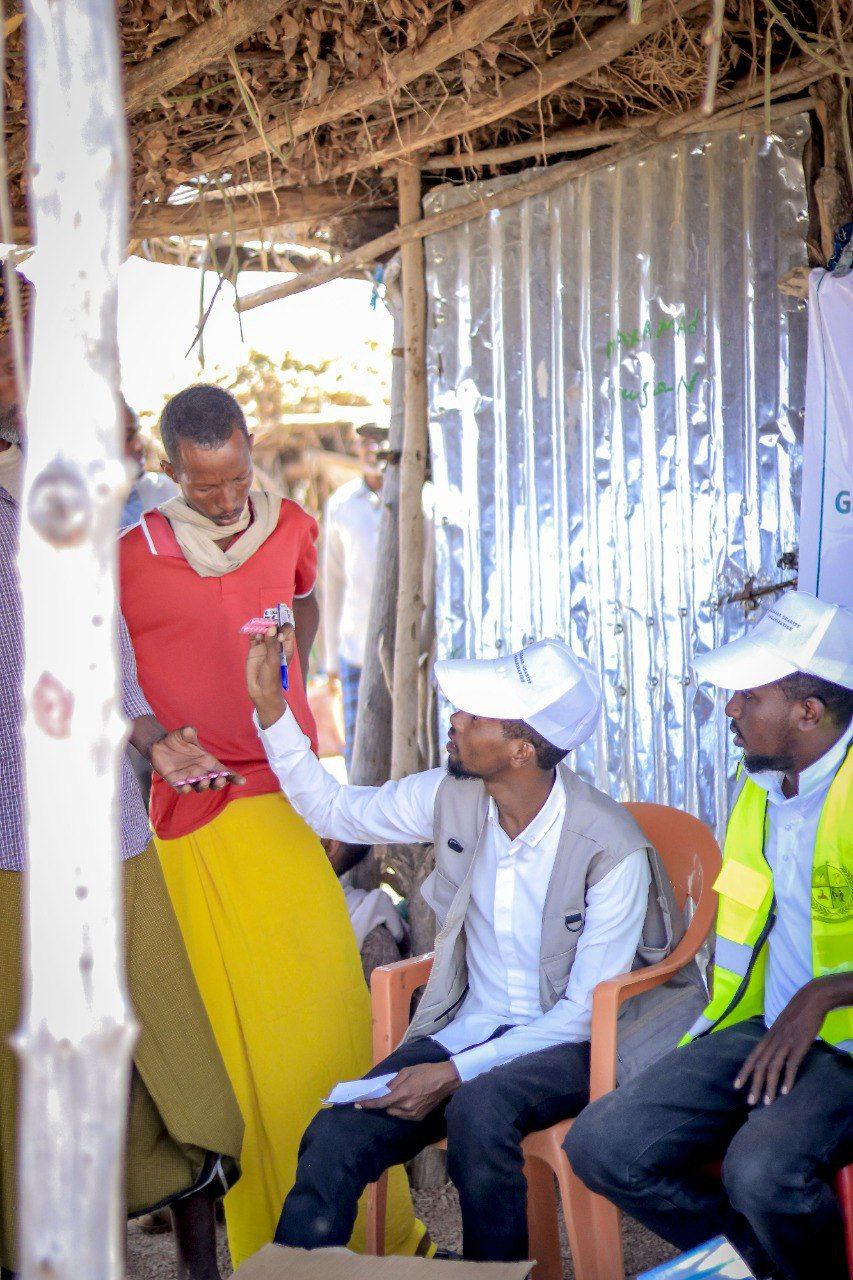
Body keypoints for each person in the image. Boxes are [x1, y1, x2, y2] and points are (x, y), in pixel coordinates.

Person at [246, 626, 707, 1263]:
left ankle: (498, 1276)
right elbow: (335, 812)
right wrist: (272, 710)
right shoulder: (453, 796)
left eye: (476, 715)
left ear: (522, 749)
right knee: (334, 1135)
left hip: (570, 1045)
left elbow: (580, 1016)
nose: (456, 720)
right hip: (469, 1028)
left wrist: (452, 1074)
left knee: (479, 1111)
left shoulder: (611, 847)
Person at [118, 384, 424, 1267]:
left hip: (286, 800)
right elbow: (94, 668)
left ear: (250, 447)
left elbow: (305, 601)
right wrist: (149, 735)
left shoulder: (290, 526)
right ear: (169, 469)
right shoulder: (130, 555)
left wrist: (292, 667)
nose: (224, 500)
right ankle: (270, 1246)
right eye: (202, 484)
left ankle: (375, 1232)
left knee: (328, 1020)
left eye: (234, 476)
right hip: (193, 817)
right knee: (235, 1047)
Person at [0, 276, 244, 1280]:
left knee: (165, 1061)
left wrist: (154, 740)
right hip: (12, 848)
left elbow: (109, 669)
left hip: (108, 836)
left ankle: (198, 1261)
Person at [566, 590, 853, 1280]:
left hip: (844, 1048)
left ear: (807, 712)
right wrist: (790, 1010)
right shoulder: (764, 787)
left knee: (760, 1170)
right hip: (765, 1027)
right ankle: (756, 1264)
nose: (730, 711)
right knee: (602, 1143)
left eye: (748, 697)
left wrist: (823, 995)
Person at [322, 421, 386, 768]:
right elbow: (333, 583)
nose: (373, 449)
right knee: (359, 756)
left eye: (381, 439)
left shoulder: (422, 502)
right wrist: (331, 658)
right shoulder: (342, 504)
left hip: (407, 656)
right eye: (365, 441)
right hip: (355, 651)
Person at [120, 396, 177, 530]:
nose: (139, 445)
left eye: (137, 433)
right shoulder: (79, 510)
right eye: (127, 438)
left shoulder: (161, 489)